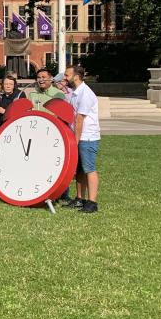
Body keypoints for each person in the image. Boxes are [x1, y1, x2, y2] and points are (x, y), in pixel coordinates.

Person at [65, 65, 101, 213]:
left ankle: (92, 202)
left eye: (67, 75)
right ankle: (80, 199)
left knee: (89, 169)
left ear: (76, 76)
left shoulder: (85, 93)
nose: (65, 78)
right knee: (79, 170)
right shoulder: (75, 92)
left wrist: (75, 141)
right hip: (79, 136)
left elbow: (79, 119)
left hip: (87, 137)